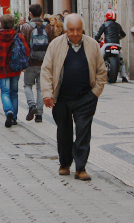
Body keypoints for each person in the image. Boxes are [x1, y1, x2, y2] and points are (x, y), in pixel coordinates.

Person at [41, 13, 107, 181]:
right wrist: (47, 94)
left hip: (85, 96)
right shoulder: (55, 45)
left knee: (84, 132)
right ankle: (64, 163)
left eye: (78, 29)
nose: (75, 33)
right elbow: (46, 70)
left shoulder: (92, 45)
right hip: (61, 97)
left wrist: (95, 93)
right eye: (71, 30)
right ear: (65, 29)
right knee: (64, 131)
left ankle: (80, 167)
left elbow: (101, 71)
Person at [0, 14, 28, 128]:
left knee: (5, 92)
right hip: (15, 69)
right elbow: (26, 51)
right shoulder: (19, 36)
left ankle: (9, 112)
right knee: (14, 93)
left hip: (2, 69)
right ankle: (15, 117)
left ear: (1, 24)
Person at [20, 4, 52, 123]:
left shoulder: (26, 27)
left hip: (30, 62)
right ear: (41, 13)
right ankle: (39, 114)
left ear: (31, 14)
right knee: (40, 88)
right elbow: (53, 44)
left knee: (27, 85)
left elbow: (22, 45)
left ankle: (31, 105)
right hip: (44, 62)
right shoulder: (48, 27)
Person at [94, 10, 129, 82]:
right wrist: (118, 38)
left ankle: (96, 75)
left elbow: (98, 35)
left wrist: (96, 40)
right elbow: (123, 35)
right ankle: (124, 77)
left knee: (99, 58)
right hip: (117, 45)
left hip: (107, 44)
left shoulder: (104, 24)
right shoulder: (118, 25)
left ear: (107, 16)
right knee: (121, 60)